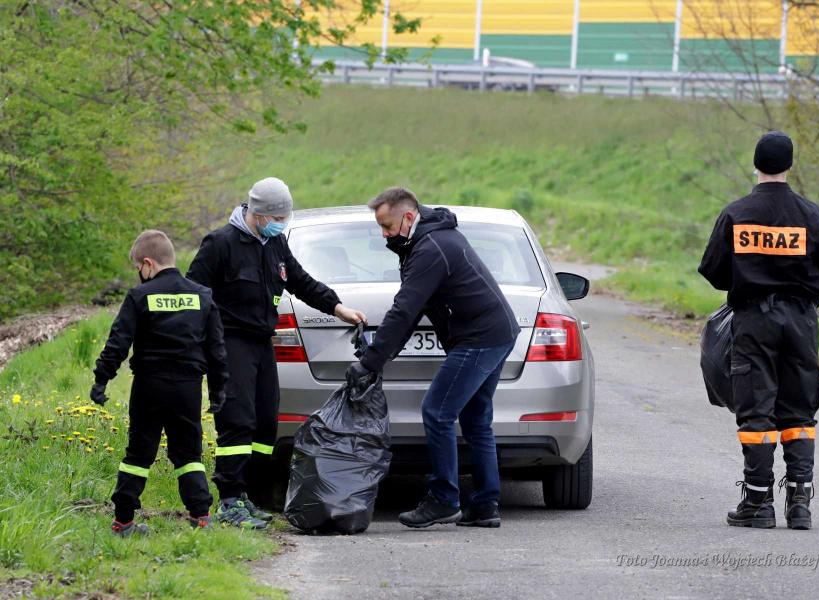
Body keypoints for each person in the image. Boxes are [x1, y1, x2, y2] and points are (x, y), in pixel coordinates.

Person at [187, 177, 366, 529]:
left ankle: (250, 495)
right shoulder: (221, 244)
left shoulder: (275, 244)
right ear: (258, 213)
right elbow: (194, 296)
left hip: (261, 343)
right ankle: (229, 500)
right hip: (229, 344)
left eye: (285, 217)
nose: (281, 223)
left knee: (265, 422)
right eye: (277, 218)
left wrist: (338, 307)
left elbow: (301, 282)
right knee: (237, 420)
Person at [347, 187, 520, 529]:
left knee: (437, 411)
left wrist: (370, 363)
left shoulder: (430, 248)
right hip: (496, 333)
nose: (384, 234)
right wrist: (378, 356)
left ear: (409, 217)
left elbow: (404, 309)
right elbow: (414, 311)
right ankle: (485, 505)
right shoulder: (423, 242)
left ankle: (444, 499)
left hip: (480, 338)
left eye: (387, 226)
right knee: (476, 419)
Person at [699, 131, 819, 530]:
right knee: (799, 410)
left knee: (756, 408)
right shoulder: (812, 215)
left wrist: (749, 278)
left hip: (753, 321)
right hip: (800, 321)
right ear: (790, 165)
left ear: (756, 164)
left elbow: (713, 270)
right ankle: (800, 504)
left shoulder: (736, 214)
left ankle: (758, 503)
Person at [92, 230, 229, 537]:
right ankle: (201, 516)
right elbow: (217, 350)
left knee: (139, 454)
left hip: (149, 386)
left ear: (148, 264)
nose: (139, 274)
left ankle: (123, 522)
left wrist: (101, 379)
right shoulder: (202, 296)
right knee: (189, 454)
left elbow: (118, 342)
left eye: (138, 268)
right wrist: (218, 389)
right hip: (187, 388)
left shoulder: (140, 296)